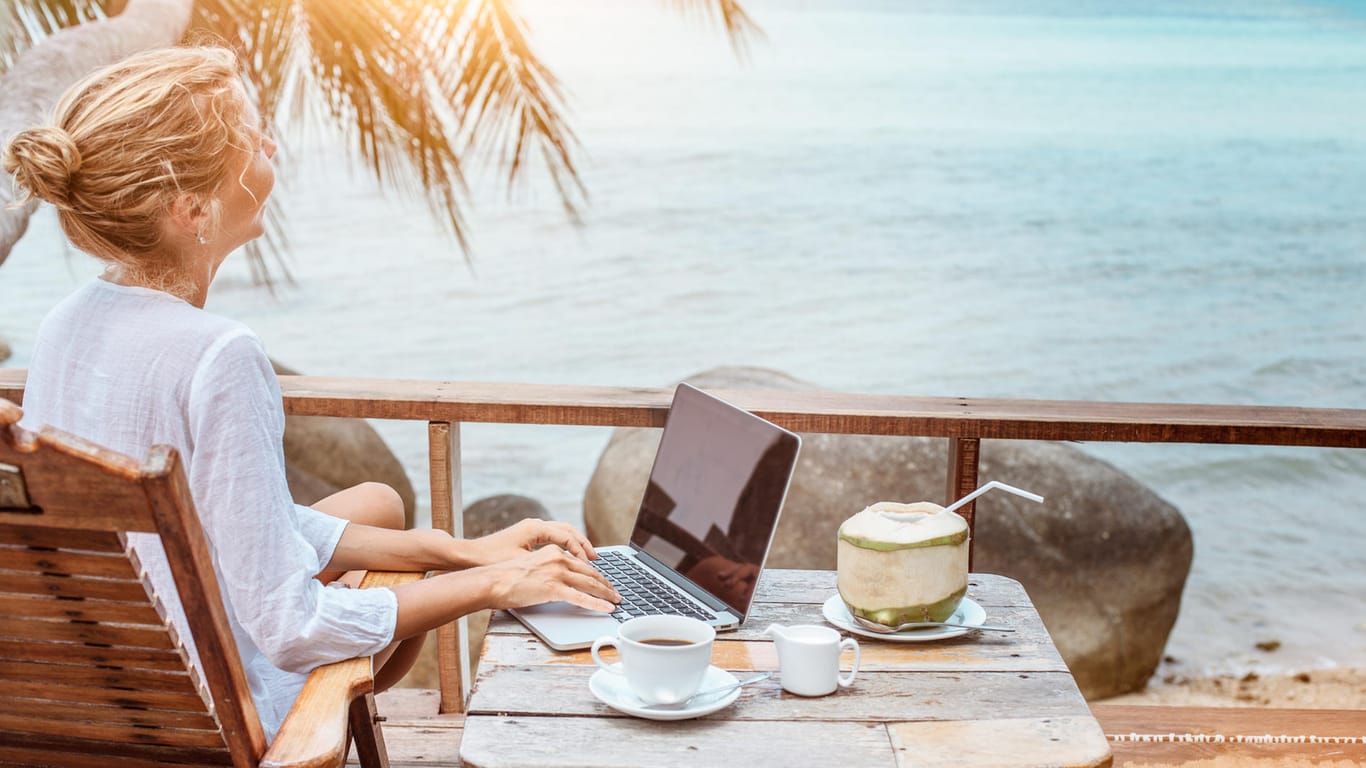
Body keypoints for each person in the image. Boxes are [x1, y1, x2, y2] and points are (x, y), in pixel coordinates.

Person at [1, 45, 619, 741]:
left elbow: (233, 517)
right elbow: (290, 629)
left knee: (384, 508)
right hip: (214, 714)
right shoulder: (218, 356)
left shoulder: (67, 323)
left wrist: (462, 549)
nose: (270, 146)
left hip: (108, 680)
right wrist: (498, 585)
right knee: (404, 583)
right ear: (191, 207)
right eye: (250, 138)